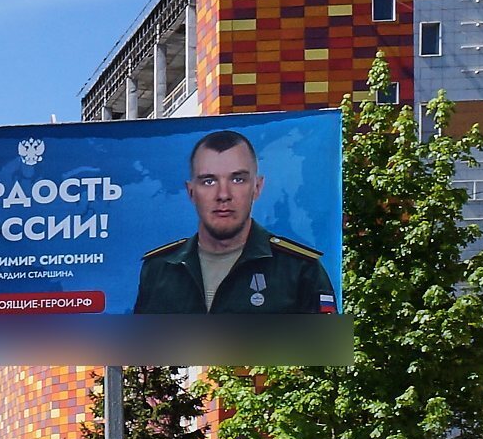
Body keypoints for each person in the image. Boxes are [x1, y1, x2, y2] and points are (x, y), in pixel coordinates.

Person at [132, 129, 337, 315]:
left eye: (237, 179)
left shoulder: (299, 270)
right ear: (191, 191)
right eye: (208, 181)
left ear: (257, 187)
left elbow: (325, 354)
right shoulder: (158, 270)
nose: (223, 195)